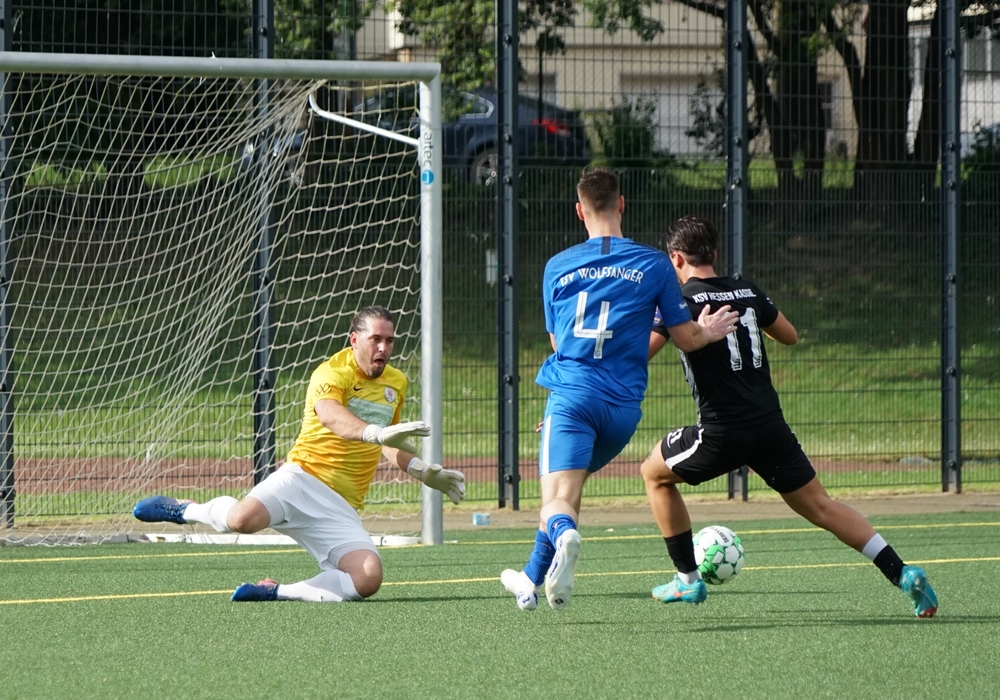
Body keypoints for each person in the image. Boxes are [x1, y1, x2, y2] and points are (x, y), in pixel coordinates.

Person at [642, 215, 938, 618]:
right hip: (770, 427)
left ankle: (687, 580)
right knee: (821, 507)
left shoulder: (679, 302)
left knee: (653, 474)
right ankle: (902, 572)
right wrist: (749, 312)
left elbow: (643, 352)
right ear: (713, 252)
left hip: (722, 432)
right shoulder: (747, 289)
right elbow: (790, 335)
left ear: (676, 259)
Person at [500, 168, 739, 611]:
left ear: (579, 211)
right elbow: (686, 339)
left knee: (557, 501)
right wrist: (707, 331)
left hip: (573, 398)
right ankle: (529, 581)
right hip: (623, 412)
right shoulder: (654, 264)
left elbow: (558, 343)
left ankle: (564, 539)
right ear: (622, 204)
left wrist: (563, 411)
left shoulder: (557, 266)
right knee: (567, 490)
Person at [133, 306, 465, 603]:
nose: (383, 348)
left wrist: (422, 470)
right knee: (240, 521)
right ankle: (185, 510)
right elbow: (331, 416)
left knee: (367, 578)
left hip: (342, 506)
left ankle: (274, 591)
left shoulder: (396, 382)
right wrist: (375, 433)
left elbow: (389, 440)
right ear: (354, 340)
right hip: (301, 480)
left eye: (389, 341)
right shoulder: (331, 372)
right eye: (375, 339)